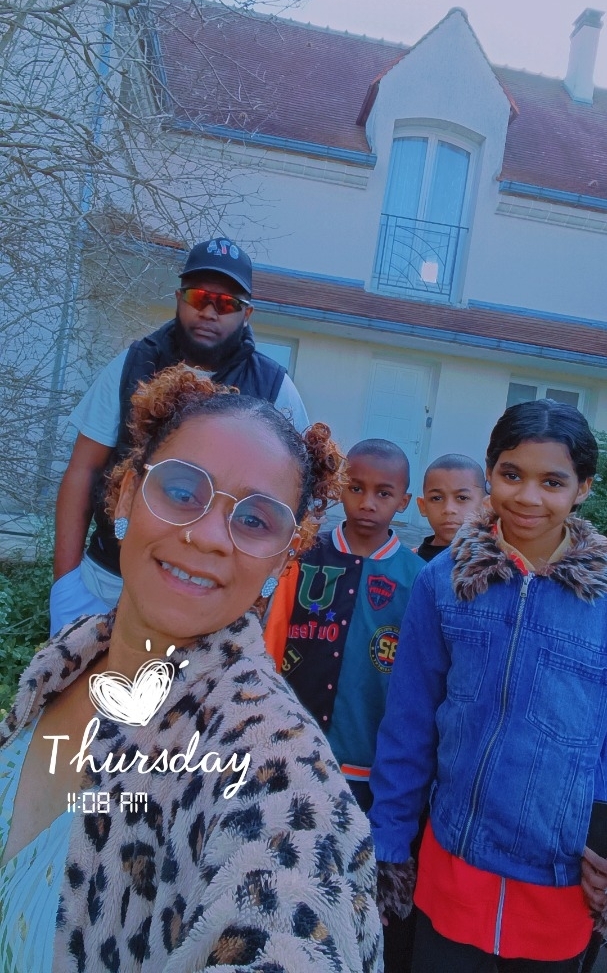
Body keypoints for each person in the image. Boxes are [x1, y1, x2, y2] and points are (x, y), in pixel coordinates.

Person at [0, 367, 381, 973]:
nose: (207, 537)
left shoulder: (276, 769)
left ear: (283, 560)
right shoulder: (65, 665)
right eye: (182, 491)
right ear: (127, 494)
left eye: (254, 520)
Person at [369, 399, 607, 972]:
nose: (528, 497)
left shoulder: (601, 597)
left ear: (582, 488)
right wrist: (389, 843)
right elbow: (409, 721)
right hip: (453, 867)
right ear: (491, 470)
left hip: (563, 881)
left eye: (553, 482)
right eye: (511, 474)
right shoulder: (442, 581)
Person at [51, 236, 308, 634]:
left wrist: (253, 607)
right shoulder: (132, 364)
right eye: (198, 296)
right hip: (103, 588)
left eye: (226, 303)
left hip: (204, 601)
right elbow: (83, 470)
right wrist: (65, 586)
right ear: (178, 298)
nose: (209, 311)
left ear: (247, 314)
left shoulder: (275, 389)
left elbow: (292, 511)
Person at [265, 438, 423, 973]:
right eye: (356, 488)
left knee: (351, 883)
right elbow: (272, 637)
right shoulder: (304, 556)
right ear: (339, 489)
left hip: (367, 761)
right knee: (288, 868)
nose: (368, 503)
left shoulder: (417, 579)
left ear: (404, 501)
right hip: (295, 750)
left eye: (384, 493)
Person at [414, 453, 486, 562]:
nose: (448, 509)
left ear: (485, 505)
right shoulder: (409, 563)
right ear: (422, 506)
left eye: (462, 498)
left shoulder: (497, 566)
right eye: (437, 498)